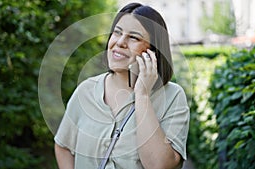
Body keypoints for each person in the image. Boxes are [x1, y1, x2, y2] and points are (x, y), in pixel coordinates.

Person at [54, 3, 189, 169]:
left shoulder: (173, 97)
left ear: (153, 51)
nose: (120, 42)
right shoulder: (86, 90)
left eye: (134, 37)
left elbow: (159, 165)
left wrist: (142, 95)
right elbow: (64, 146)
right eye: (117, 33)